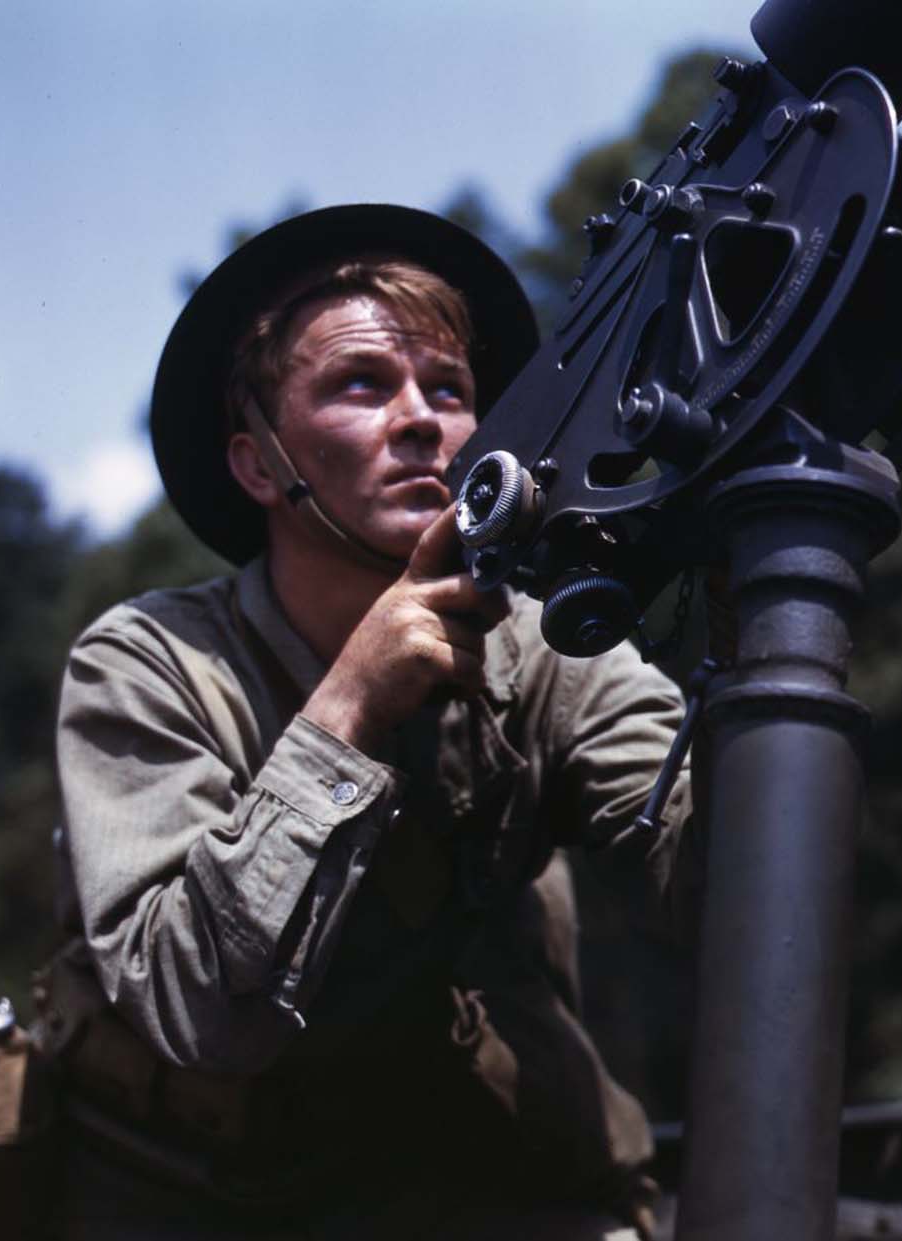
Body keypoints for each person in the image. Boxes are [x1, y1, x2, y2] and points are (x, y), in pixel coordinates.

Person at [36, 204, 702, 1240]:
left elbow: (720, 874)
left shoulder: (544, 649)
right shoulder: (150, 666)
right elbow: (192, 1004)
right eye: (361, 384)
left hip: (496, 1197)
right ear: (258, 465)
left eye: (449, 389)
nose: (420, 419)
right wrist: (348, 702)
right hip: (216, 1209)